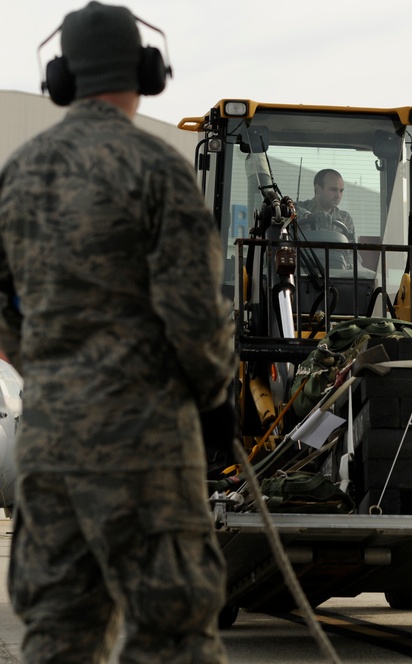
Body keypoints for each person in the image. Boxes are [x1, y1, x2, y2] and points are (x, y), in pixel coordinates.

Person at [0, 3, 236, 662]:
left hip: (48, 445)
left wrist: (51, 365)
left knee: (59, 637)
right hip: (147, 444)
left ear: (61, 78)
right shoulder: (157, 169)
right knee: (172, 637)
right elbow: (193, 314)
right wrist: (215, 399)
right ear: (147, 71)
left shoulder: (17, 176)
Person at [297, 168, 357, 241]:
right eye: (333, 189)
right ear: (318, 190)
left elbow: (351, 251)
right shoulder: (297, 208)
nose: (338, 195)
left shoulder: (345, 218)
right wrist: (309, 216)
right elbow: (293, 210)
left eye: (341, 191)